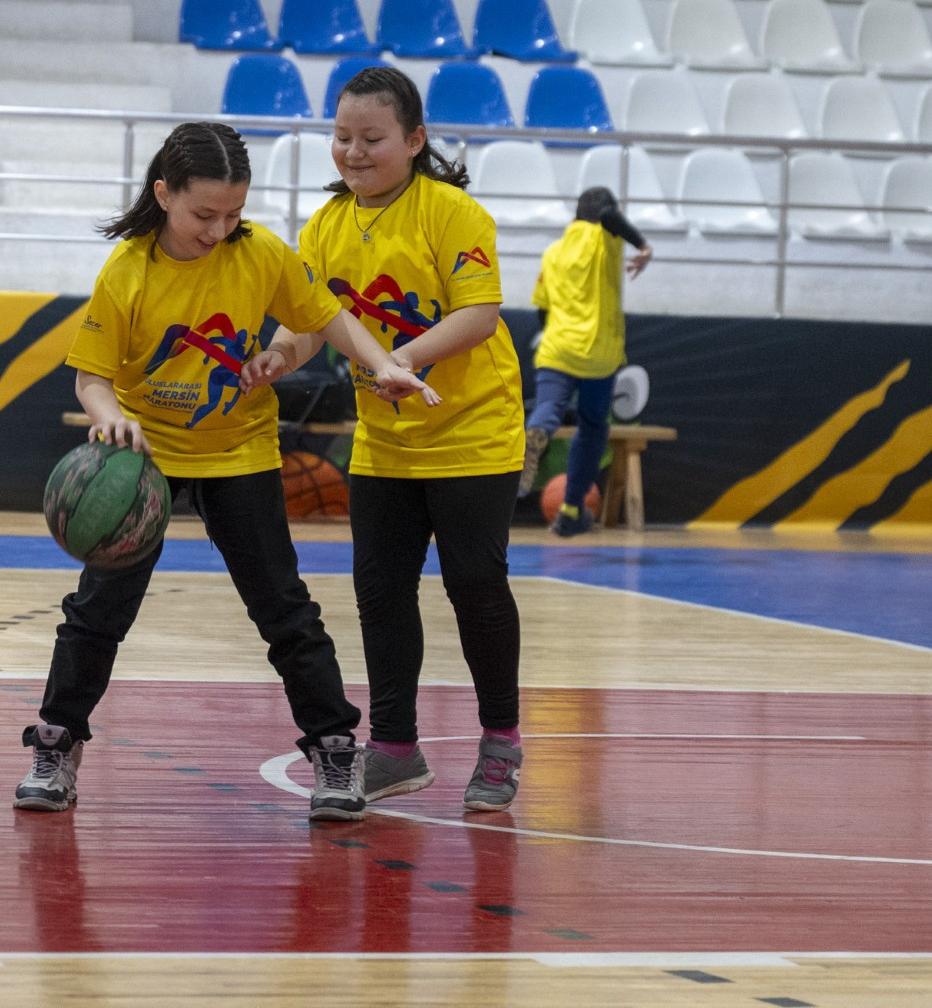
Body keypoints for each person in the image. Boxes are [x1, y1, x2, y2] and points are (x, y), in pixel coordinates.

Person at [16, 122, 437, 821]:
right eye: (203, 214)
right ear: (164, 194)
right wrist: (111, 417)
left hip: (238, 448)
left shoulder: (261, 253)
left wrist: (384, 363)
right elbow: (91, 378)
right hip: (146, 457)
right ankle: (57, 743)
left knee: (284, 608)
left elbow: (329, 318)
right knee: (98, 610)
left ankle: (334, 749)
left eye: (233, 213)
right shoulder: (128, 269)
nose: (219, 230)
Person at [247, 67, 527, 813]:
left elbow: (480, 316)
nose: (354, 152)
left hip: (473, 431)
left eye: (372, 138)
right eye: (342, 137)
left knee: (476, 586)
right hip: (385, 442)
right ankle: (396, 749)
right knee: (381, 593)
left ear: (415, 140)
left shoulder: (453, 213)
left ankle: (501, 739)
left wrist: (397, 359)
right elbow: (313, 324)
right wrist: (278, 357)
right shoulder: (325, 226)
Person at [521, 186, 652, 536]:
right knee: (593, 426)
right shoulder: (606, 238)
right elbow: (609, 217)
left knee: (547, 409)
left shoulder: (554, 252)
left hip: (556, 348)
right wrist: (643, 246)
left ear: (575, 214)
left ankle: (537, 432)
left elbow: (542, 309)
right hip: (598, 355)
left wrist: (559, 339)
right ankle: (570, 509)